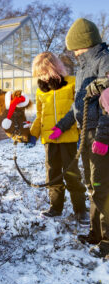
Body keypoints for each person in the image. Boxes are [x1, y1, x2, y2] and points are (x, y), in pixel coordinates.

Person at [52, 18, 109, 259]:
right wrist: (62, 125)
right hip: (85, 134)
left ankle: (108, 240)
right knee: (92, 187)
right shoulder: (84, 66)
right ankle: (96, 232)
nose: (73, 53)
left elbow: (108, 104)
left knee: (103, 187)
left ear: (84, 43)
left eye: (75, 47)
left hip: (99, 135)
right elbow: (80, 106)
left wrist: (104, 137)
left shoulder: (104, 61)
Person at [28, 51, 88, 225]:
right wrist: (33, 134)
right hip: (49, 140)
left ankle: (80, 209)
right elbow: (39, 115)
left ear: (54, 67)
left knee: (71, 174)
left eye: (44, 72)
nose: (43, 77)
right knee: (52, 173)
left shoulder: (72, 83)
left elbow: (76, 111)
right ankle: (56, 208)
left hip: (68, 138)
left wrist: (63, 128)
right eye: (39, 74)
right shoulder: (41, 91)